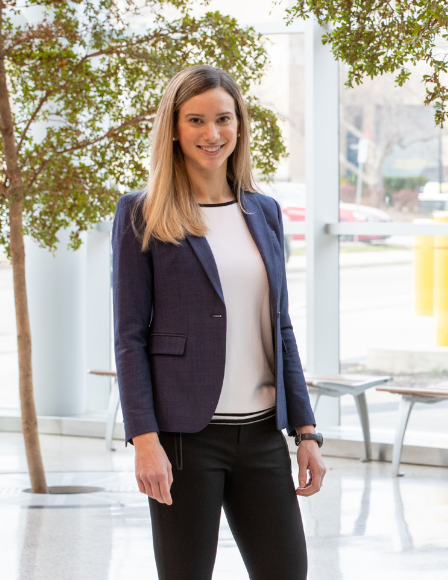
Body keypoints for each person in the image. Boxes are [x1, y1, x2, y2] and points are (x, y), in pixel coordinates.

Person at [112, 64, 326, 580]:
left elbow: (281, 328)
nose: (212, 134)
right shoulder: (143, 214)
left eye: (223, 119)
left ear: (239, 125)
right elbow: (128, 338)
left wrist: (307, 431)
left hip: (260, 436)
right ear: (174, 128)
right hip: (185, 440)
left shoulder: (265, 212)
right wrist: (145, 441)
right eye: (196, 120)